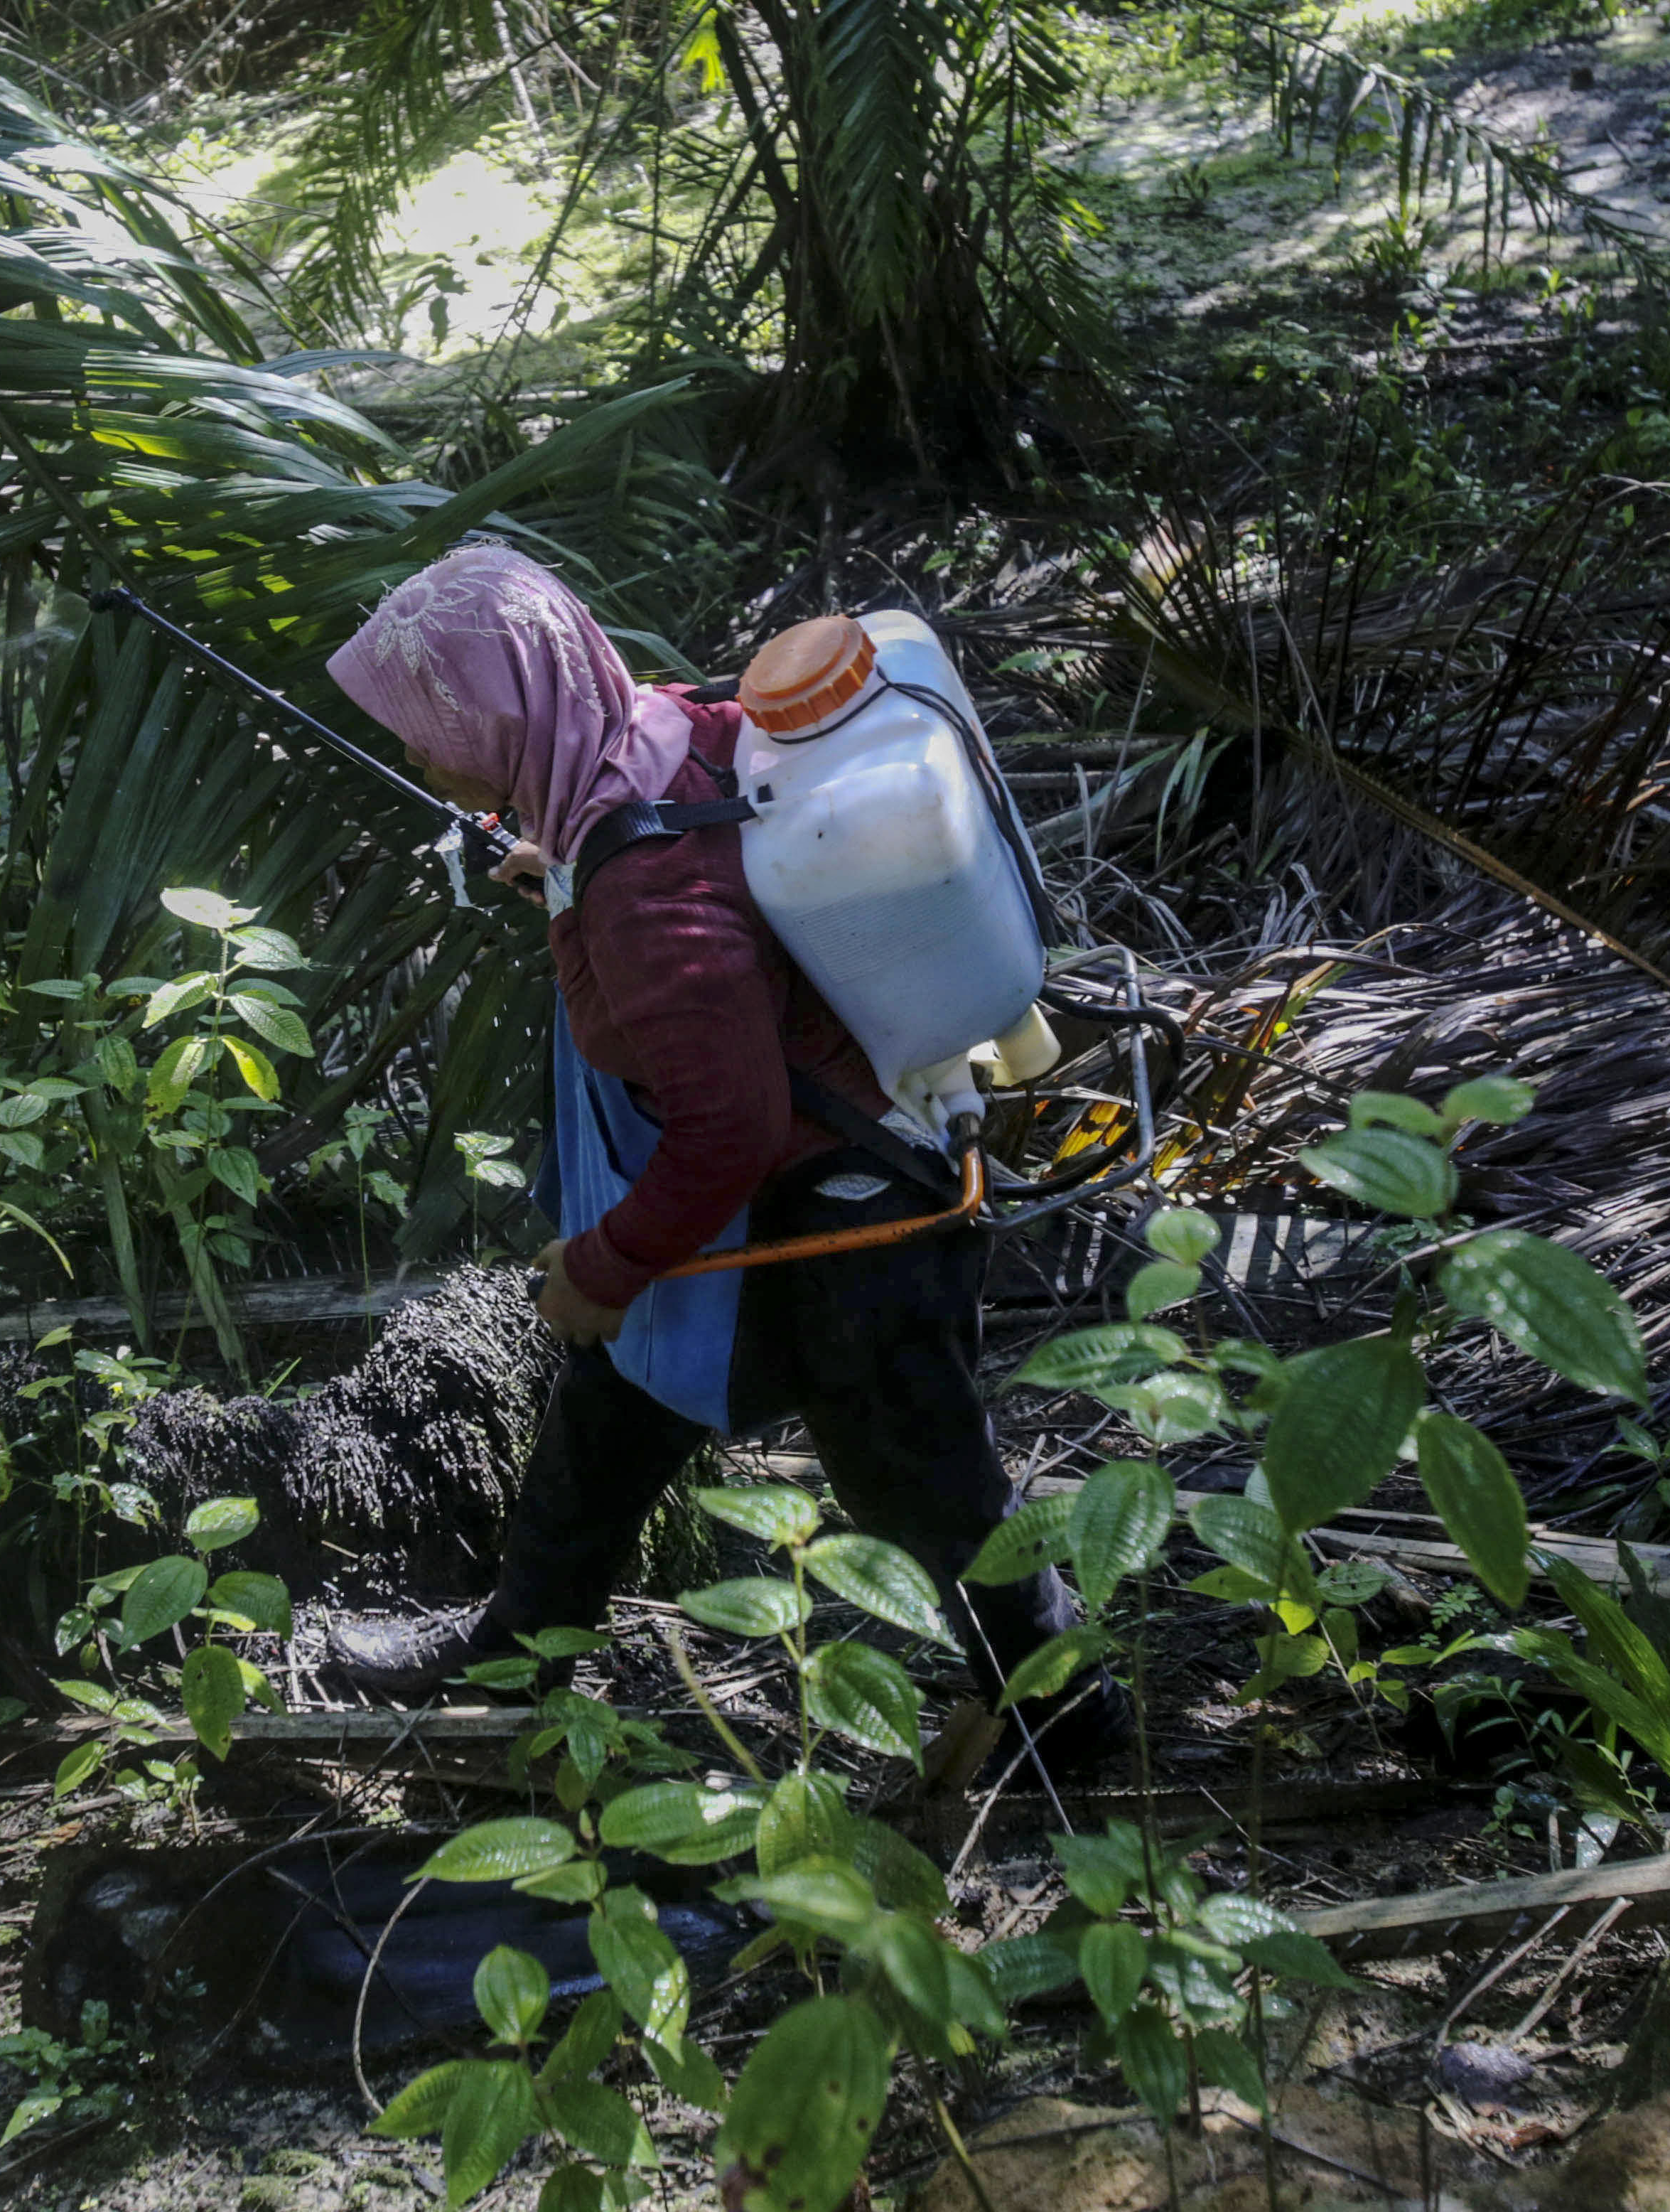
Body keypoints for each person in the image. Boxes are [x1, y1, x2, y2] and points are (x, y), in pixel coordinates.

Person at [313, 543, 1126, 1776]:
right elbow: (700, 875)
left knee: (929, 1490)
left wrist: (608, 1262)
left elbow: (730, 1124)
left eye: (431, 736)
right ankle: (510, 1661)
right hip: (802, 1188)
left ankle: (1074, 1725)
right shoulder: (657, 732)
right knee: (609, 1418)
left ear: (507, 718)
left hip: (851, 1221)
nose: (422, 761)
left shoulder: (641, 890)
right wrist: (566, 871)